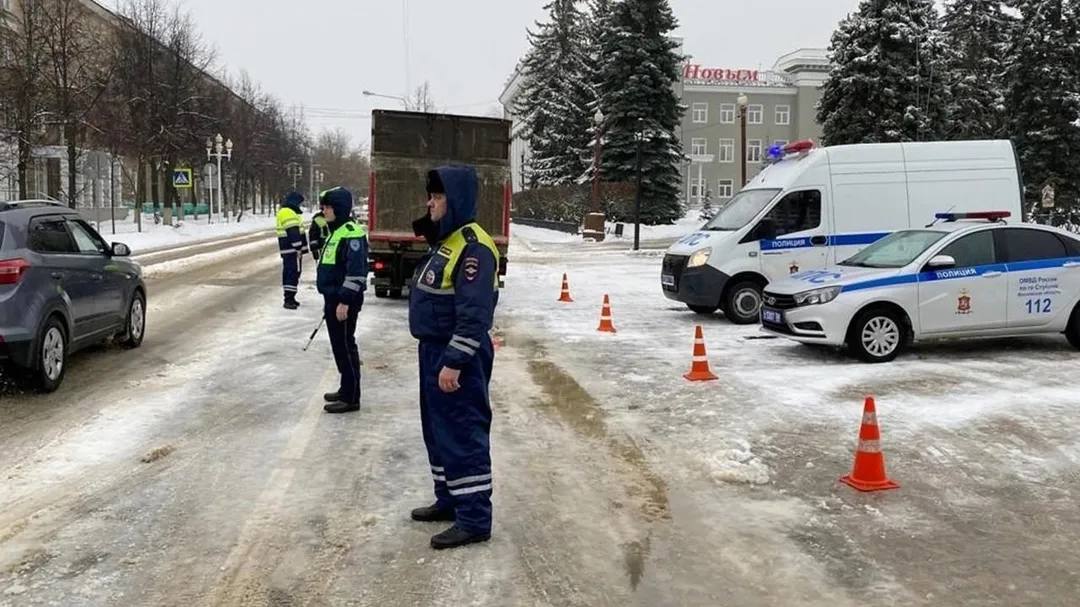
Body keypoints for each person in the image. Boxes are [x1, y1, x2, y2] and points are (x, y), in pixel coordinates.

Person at [408, 166, 500, 550]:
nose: (430, 202)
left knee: (462, 432)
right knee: (439, 431)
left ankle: (475, 518)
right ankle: (449, 500)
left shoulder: (473, 246)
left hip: (456, 356)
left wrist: (455, 360)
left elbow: (474, 312)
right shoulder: (448, 240)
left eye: (438, 197)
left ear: (456, 200)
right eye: (430, 196)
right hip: (434, 351)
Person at [316, 187, 368, 414]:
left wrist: (344, 301)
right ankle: (346, 387)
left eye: (327, 207)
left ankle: (351, 397)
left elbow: (356, 272)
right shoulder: (336, 231)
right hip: (333, 298)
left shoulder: (351, 232)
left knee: (346, 346)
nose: (324, 210)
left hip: (343, 301)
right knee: (339, 346)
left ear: (338, 208)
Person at [276, 192, 308, 309]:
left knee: (293, 273)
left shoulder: (288, 212)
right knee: (291, 273)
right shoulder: (287, 212)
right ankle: (288, 299)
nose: (300, 205)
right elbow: (293, 231)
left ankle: (291, 297)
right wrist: (298, 246)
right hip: (292, 250)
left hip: (291, 250)